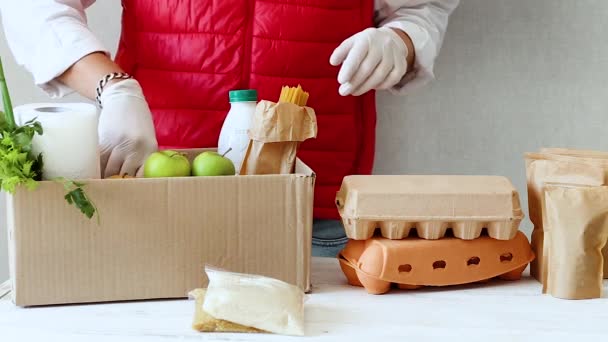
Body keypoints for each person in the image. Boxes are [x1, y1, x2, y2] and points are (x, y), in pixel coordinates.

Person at [0, 0, 459, 257]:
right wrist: (112, 86)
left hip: (313, 211)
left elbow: (422, 10)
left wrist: (401, 43)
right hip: (153, 201)